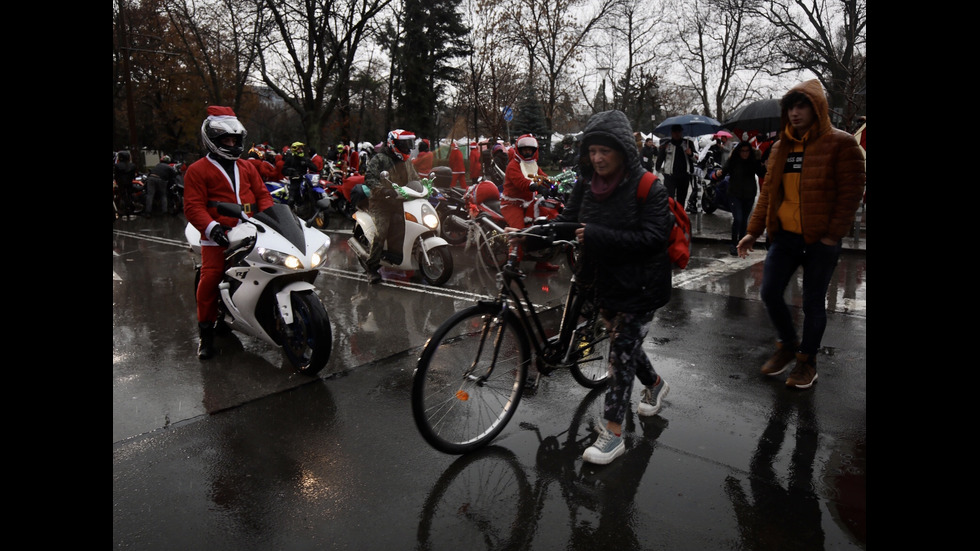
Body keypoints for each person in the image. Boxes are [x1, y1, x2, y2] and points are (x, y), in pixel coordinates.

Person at [550, 109, 674, 465]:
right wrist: (532, 235)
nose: (598, 158)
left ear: (623, 150)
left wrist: (597, 235)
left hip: (641, 286)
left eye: (605, 150)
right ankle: (655, 385)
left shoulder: (648, 186)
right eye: (592, 151)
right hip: (601, 283)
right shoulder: (586, 183)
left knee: (620, 354)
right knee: (626, 344)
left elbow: (653, 238)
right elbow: (567, 222)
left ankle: (613, 434)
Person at [736, 79, 865, 389]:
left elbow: (852, 193)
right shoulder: (781, 146)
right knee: (768, 292)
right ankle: (788, 345)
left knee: (812, 303)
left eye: (801, 106)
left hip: (820, 240)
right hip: (785, 238)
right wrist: (752, 231)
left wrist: (833, 235)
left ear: (817, 108)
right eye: (790, 107)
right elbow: (768, 192)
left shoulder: (842, 143)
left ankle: (807, 362)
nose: (794, 113)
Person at [183, 105, 274, 359]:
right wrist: (212, 229)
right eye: (226, 139)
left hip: (251, 231)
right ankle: (205, 337)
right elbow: (193, 206)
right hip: (217, 237)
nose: (232, 143)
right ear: (213, 140)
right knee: (210, 280)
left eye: (235, 139)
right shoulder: (197, 170)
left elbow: (263, 196)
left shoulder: (248, 167)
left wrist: (271, 219)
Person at [362, 129, 420, 284]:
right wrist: (384, 190)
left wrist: (425, 187)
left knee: (413, 225)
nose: (408, 147)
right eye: (404, 144)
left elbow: (415, 178)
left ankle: (407, 259)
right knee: (381, 232)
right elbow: (369, 178)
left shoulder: (407, 161)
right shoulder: (379, 159)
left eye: (410, 143)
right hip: (382, 203)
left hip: (402, 201)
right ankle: (372, 268)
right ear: (393, 143)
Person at [501, 134, 559, 272]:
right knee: (519, 232)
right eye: (524, 149)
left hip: (530, 202)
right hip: (512, 204)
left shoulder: (532, 164)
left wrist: (554, 183)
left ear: (534, 150)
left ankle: (542, 260)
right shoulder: (513, 165)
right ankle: (513, 264)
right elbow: (521, 182)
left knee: (543, 226)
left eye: (530, 149)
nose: (527, 152)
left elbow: (543, 176)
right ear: (519, 149)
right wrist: (537, 187)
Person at [713, 141, 766, 255]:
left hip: (749, 195)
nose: (745, 154)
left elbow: (762, 173)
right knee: (738, 219)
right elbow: (723, 171)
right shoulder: (733, 161)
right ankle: (733, 243)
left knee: (744, 221)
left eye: (747, 151)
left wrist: (763, 164)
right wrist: (718, 174)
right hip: (734, 194)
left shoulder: (753, 162)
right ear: (739, 151)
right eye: (742, 151)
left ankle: (741, 243)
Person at [655, 124, 695, 205]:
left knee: (681, 201)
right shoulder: (665, 145)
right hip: (670, 177)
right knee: (669, 201)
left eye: (679, 131)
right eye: (674, 132)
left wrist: (690, 154)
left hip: (684, 176)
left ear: (681, 132)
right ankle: (670, 216)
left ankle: (680, 217)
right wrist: (662, 172)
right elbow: (659, 161)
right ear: (671, 133)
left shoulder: (688, 143)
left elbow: (696, 159)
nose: (677, 134)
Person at [282, 141, 318, 206]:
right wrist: (291, 172)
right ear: (294, 149)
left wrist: (307, 164)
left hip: (305, 180)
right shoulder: (290, 159)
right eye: (299, 149)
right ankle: (291, 210)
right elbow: (284, 170)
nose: (301, 150)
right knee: (291, 199)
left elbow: (315, 168)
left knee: (314, 192)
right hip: (294, 181)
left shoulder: (305, 159)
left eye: (301, 148)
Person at [113, 150, 138, 219]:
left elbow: (116, 175)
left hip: (121, 183)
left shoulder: (117, 165)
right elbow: (133, 175)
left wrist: (117, 181)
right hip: (129, 183)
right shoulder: (132, 165)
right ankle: (131, 210)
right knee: (129, 196)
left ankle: (124, 211)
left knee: (123, 197)